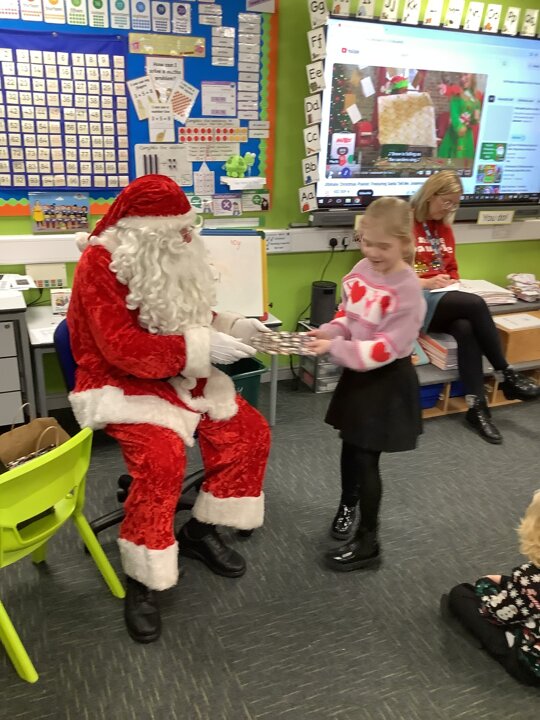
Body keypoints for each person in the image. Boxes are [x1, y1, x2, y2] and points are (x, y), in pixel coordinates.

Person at [67, 175, 270, 643]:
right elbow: (122, 348)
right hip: (118, 381)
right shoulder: (101, 263)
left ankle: (200, 529)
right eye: (175, 230)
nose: (186, 237)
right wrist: (200, 348)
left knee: (250, 433)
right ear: (143, 231)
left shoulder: (172, 252)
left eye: (188, 227)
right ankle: (142, 575)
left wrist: (233, 326)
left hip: (177, 372)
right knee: (162, 460)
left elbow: (187, 313)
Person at [307, 198, 426, 571]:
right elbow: (350, 317)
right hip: (358, 374)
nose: (372, 252)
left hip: (385, 380)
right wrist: (329, 332)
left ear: (404, 242)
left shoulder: (408, 291)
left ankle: (368, 541)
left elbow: (383, 349)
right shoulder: (362, 269)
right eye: (366, 242)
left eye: (383, 246)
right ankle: (348, 504)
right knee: (351, 446)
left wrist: (334, 348)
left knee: (366, 458)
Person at [411, 170, 539, 445]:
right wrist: (427, 281)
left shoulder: (444, 228)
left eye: (455, 204)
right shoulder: (404, 221)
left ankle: (477, 408)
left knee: (465, 328)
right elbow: (391, 273)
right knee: (476, 304)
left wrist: (450, 280)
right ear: (431, 195)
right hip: (413, 299)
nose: (450, 208)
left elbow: (452, 269)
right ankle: (506, 373)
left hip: (443, 298)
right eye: (447, 202)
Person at [441, 490, 540, 687]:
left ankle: (512, 646)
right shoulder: (528, 580)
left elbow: (494, 615)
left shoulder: (528, 578)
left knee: (461, 594)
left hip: (532, 668)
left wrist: (486, 587)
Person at [438, 73, 482, 163]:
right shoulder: (457, 92)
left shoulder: (476, 96)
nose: (462, 79)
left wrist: (475, 119)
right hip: (454, 134)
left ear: (473, 76)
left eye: (465, 75)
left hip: (468, 135)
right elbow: (454, 113)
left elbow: (474, 119)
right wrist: (458, 126)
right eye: (461, 76)